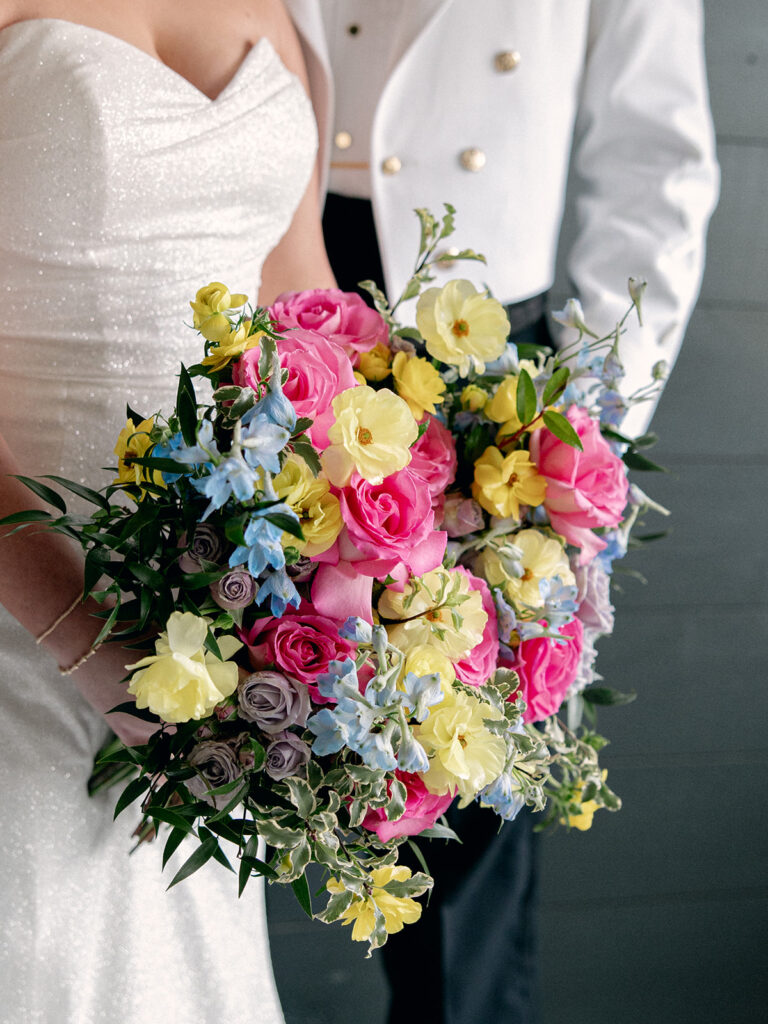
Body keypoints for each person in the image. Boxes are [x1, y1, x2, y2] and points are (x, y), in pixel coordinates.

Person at [284, 2, 719, 1022]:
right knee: (220, 731)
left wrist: (583, 425)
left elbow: (658, 164)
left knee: (459, 801)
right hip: (273, 297)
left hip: (488, 357)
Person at [0, 1, 334, 1021]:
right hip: (23, 614)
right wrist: (95, 643)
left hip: (213, 625)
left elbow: (303, 302)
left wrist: (383, 562)